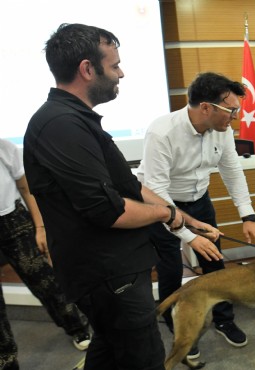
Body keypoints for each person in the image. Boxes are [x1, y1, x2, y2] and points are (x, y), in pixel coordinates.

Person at [22, 23, 219, 369]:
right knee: (143, 357)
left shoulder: (79, 120)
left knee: (110, 348)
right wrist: (167, 216)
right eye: (114, 66)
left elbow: (129, 186)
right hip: (108, 276)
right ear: (87, 69)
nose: (121, 73)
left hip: (119, 271)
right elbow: (109, 210)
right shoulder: (61, 126)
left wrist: (187, 220)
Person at [137, 72, 255, 349]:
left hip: (199, 200)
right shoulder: (162, 132)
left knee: (214, 262)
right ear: (206, 108)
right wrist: (188, 235)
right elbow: (157, 191)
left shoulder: (222, 131)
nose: (234, 116)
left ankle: (224, 319)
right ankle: (180, 332)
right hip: (162, 206)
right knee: (171, 269)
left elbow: (232, 171)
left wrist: (249, 217)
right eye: (231, 110)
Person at [0, 138, 91, 369]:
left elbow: (26, 188)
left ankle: (77, 327)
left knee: (44, 280)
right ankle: (6, 359)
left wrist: (40, 227)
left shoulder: (4, 147)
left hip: (12, 221)